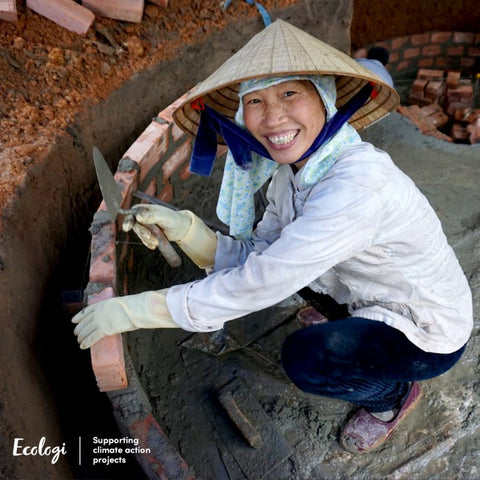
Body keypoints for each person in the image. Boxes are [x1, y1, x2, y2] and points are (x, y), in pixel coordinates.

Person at [72, 20, 472, 454]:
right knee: (293, 266)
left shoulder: (358, 185)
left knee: (307, 358)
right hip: (369, 293)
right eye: (256, 102)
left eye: (289, 94)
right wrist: (189, 230)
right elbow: (264, 255)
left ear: (325, 98)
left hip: (426, 331)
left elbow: (261, 281)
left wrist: (138, 310)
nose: (273, 117)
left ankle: (392, 399)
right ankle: (350, 325)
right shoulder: (294, 173)